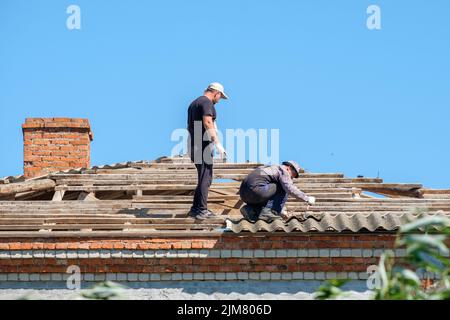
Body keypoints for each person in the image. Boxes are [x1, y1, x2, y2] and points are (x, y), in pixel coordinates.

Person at [187, 82, 229, 220]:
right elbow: (208, 122)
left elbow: (190, 127)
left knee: (202, 177)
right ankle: (201, 209)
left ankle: (195, 208)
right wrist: (217, 144)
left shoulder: (194, 103)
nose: (218, 101)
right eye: (219, 98)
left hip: (194, 145)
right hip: (202, 146)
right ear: (216, 93)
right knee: (206, 178)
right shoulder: (206, 102)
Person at [239, 160, 316, 222]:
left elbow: (270, 198)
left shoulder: (271, 168)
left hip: (244, 194)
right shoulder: (283, 170)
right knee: (283, 187)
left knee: (270, 193)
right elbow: (289, 188)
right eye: (293, 174)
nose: (292, 177)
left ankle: (249, 209)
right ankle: (271, 213)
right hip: (257, 190)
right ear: (289, 167)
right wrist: (307, 198)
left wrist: (282, 211)